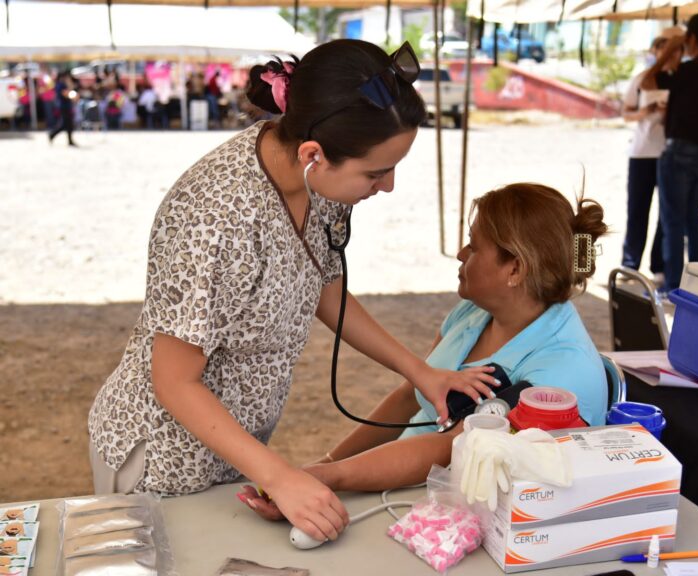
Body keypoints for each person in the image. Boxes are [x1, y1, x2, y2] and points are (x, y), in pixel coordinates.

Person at [87, 39, 498, 545]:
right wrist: (281, 477)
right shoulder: (216, 219)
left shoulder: (317, 179)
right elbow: (174, 382)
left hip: (235, 446)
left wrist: (421, 373)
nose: (387, 186)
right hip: (163, 454)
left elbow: (323, 282)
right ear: (313, 155)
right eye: (376, 172)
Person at [238, 182, 608, 514]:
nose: (462, 254)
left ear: (515, 269)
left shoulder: (559, 374)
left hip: (449, 508)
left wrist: (328, 476)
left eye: (474, 246)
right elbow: (409, 397)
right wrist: (327, 463)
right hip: (404, 486)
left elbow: (446, 448)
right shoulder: (475, 312)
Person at [641, 13, 698, 292]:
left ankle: (673, 285)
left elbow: (648, 80)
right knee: (695, 220)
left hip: (678, 151)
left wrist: (671, 47)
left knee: (673, 221)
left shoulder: (687, 71)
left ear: (691, 38)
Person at [620, 28, 683, 285]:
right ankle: (630, 263)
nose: (666, 54)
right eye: (661, 48)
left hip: (668, 152)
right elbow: (626, 112)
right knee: (637, 209)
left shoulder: (679, 80)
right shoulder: (642, 79)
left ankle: (659, 265)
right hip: (642, 152)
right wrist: (645, 111)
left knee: (665, 214)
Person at [48, 71, 77, 146]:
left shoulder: (63, 84)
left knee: (68, 125)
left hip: (66, 106)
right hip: (64, 107)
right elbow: (66, 94)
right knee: (65, 124)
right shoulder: (60, 85)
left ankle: (69, 140)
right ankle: (52, 134)